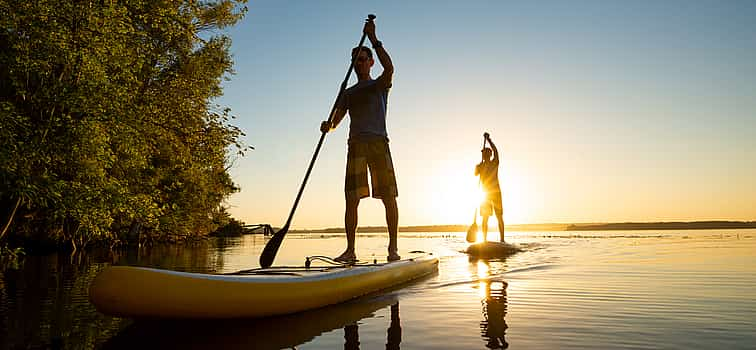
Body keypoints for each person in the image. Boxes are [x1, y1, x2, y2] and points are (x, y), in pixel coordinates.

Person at [320, 19, 398, 262]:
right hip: (356, 145)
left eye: (363, 59)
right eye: (355, 60)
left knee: (388, 196)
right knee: (351, 198)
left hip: (378, 143)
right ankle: (350, 250)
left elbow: (390, 68)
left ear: (370, 62)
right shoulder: (348, 93)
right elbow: (337, 120)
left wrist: (374, 39)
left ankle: (392, 249)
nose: (359, 63)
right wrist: (328, 126)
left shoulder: (379, 85)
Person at [475, 132, 505, 242]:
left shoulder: (495, 162)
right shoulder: (480, 166)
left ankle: (502, 240)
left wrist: (489, 140)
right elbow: (475, 173)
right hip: (484, 194)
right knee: (485, 217)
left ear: (490, 155)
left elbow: (496, 151)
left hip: (495, 192)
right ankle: (484, 240)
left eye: (487, 154)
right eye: (483, 154)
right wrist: (478, 167)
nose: (485, 156)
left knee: (499, 216)